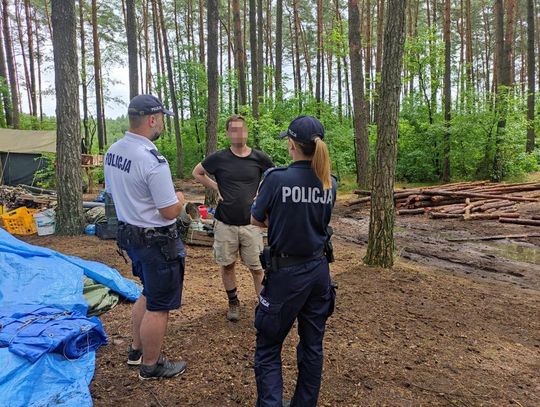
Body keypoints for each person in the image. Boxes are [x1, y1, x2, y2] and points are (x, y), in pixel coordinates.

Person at [250, 115, 337, 407]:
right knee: (312, 346)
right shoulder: (330, 182)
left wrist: (280, 219)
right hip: (319, 273)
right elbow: (319, 220)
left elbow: (256, 218)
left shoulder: (276, 178)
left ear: (292, 145)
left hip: (287, 276)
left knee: (268, 347)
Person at [104, 94, 187, 380]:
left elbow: (113, 193)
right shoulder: (152, 160)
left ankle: (136, 350)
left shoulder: (114, 151)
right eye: (162, 118)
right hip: (157, 242)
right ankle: (151, 366)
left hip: (131, 236)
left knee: (148, 291)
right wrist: (180, 199)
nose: (162, 123)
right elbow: (168, 211)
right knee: (159, 304)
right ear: (152, 119)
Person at [192, 115, 274, 321]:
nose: (239, 133)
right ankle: (233, 302)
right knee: (227, 265)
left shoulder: (259, 157)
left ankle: (263, 307)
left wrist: (261, 192)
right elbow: (198, 172)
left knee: (257, 268)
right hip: (225, 222)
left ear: (246, 131)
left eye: (242, 129)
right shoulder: (219, 158)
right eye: (234, 130)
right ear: (228, 134)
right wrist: (216, 187)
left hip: (252, 223)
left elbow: (273, 176)